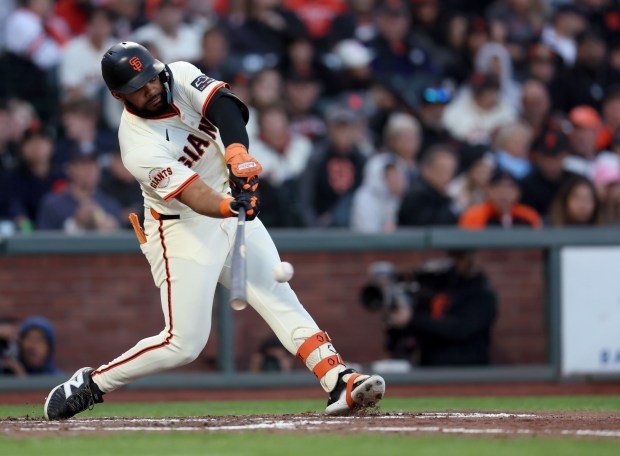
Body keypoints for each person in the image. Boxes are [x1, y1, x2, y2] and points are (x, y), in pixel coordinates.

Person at [43, 42, 385, 421]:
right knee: (184, 343)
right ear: (118, 95)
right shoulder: (137, 143)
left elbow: (225, 107)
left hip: (224, 200)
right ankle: (92, 384)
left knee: (278, 294)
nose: (153, 88)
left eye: (152, 78)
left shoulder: (181, 74)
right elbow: (193, 194)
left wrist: (237, 154)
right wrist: (230, 205)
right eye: (139, 87)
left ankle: (339, 379)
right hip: (181, 228)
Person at [385, 250, 498, 366]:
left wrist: (412, 319)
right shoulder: (442, 284)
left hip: (468, 371)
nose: (455, 262)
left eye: (460, 257)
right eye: (454, 256)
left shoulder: (483, 293)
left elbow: (459, 328)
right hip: (431, 369)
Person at [37, 151, 121, 232]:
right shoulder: (52, 205)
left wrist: (114, 231)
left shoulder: (111, 205)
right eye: (83, 164)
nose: (90, 170)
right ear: (70, 169)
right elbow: (44, 243)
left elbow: (123, 242)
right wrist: (75, 224)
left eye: (94, 164)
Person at [459, 168, 542, 229]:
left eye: (509, 187)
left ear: (518, 192)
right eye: (498, 186)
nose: (503, 192)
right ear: (488, 190)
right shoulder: (473, 215)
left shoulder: (528, 216)